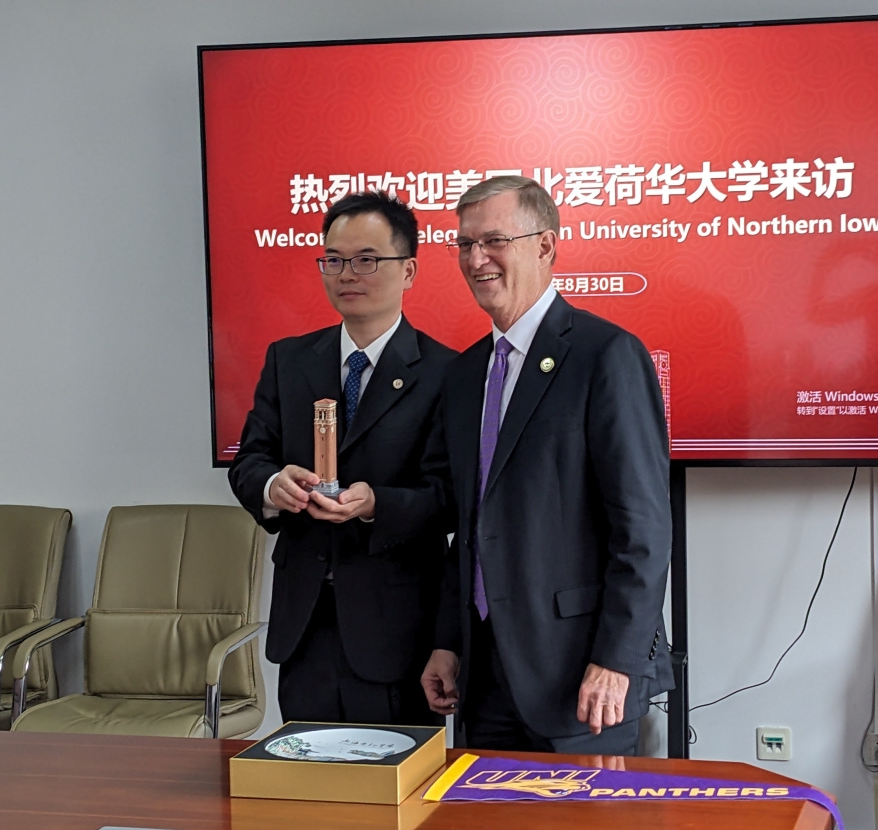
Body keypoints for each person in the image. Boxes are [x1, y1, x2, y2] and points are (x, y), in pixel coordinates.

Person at [419, 176, 672, 753]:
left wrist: (617, 659)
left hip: (583, 679)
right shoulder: (464, 376)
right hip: (484, 679)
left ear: (545, 246)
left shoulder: (606, 355)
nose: (475, 259)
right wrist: (448, 641)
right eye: (464, 245)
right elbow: (471, 526)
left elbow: (643, 530)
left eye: (493, 241)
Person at [231, 191, 455, 726]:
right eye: (333, 260)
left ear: (409, 271)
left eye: (367, 260)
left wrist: (377, 504)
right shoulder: (288, 360)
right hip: (304, 622)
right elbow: (250, 461)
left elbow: (450, 497)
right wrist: (271, 486)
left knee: (394, 790)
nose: (347, 273)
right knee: (307, 783)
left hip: (396, 625)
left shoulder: (446, 372)